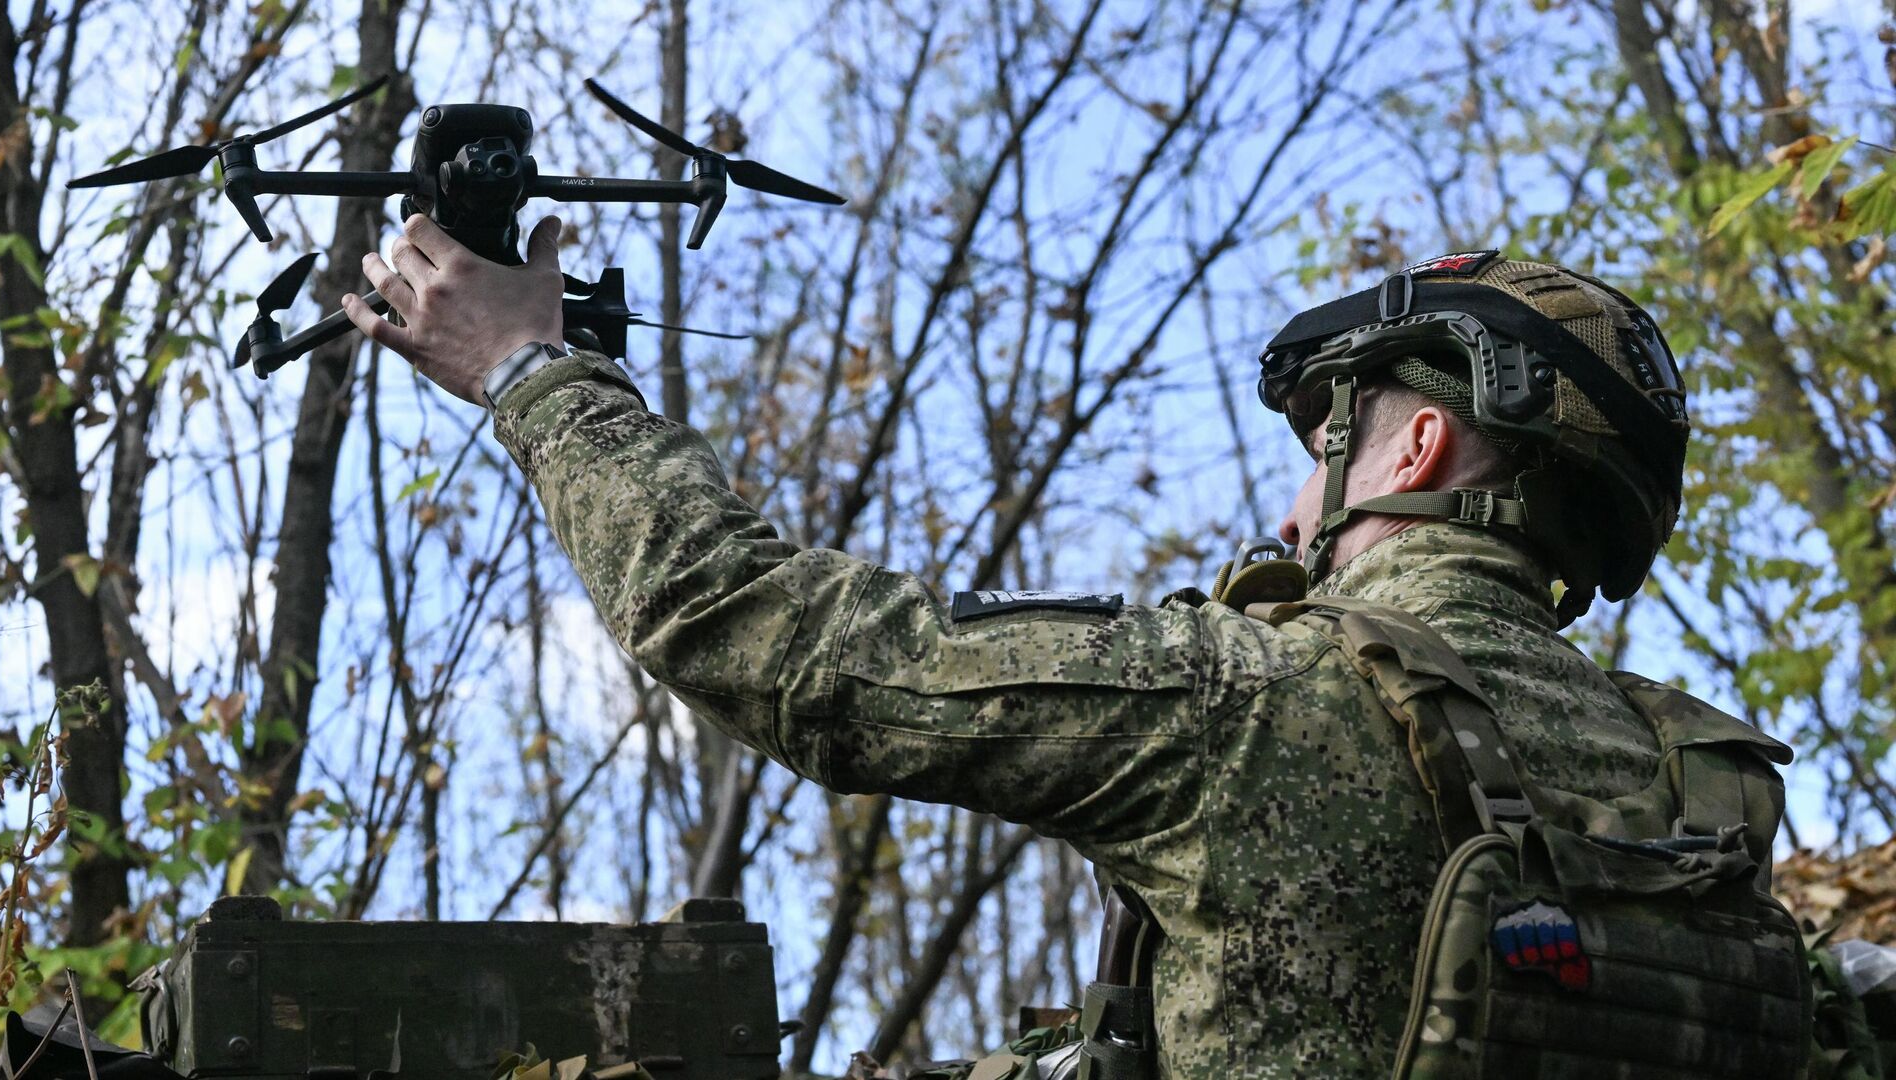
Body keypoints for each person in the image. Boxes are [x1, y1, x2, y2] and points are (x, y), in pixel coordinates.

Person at [341, 219, 1715, 1076]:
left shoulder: (1253, 696)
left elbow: (757, 630)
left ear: (1416, 448)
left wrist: (534, 374)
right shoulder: (1701, 793)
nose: (1298, 501)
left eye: (1323, 448)